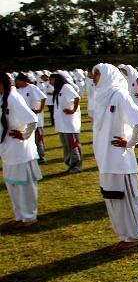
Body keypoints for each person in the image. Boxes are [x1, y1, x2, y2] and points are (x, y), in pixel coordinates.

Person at [89, 64, 138, 251]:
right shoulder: (99, 98)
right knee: (111, 198)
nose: (93, 77)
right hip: (104, 158)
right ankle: (124, 235)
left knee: (125, 199)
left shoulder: (119, 95)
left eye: (96, 74)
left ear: (107, 75)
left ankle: (132, 235)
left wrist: (130, 143)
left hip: (119, 159)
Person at [1, 73, 42, 227]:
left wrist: (24, 135)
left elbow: (32, 119)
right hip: (8, 150)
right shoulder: (3, 98)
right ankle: (19, 216)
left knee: (24, 186)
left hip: (20, 151)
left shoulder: (13, 98)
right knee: (12, 185)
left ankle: (29, 217)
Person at [49, 72, 83, 173]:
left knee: (73, 145)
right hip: (62, 123)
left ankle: (77, 166)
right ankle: (70, 165)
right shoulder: (57, 90)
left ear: (57, 79)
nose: (50, 82)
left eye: (52, 79)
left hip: (69, 123)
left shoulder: (66, 87)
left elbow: (77, 98)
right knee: (66, 146)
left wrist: (73, 110)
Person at [14, 73, 47, 162]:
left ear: (22, 80)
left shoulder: (32, 87)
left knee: (38, 138)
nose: (16, 83)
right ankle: (31, 156)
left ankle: (41, 156)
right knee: (28, 138)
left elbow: (43, 98)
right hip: (24, 119)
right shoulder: (18, 90)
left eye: (17, 81)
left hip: (35, 118)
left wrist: (40, 110)